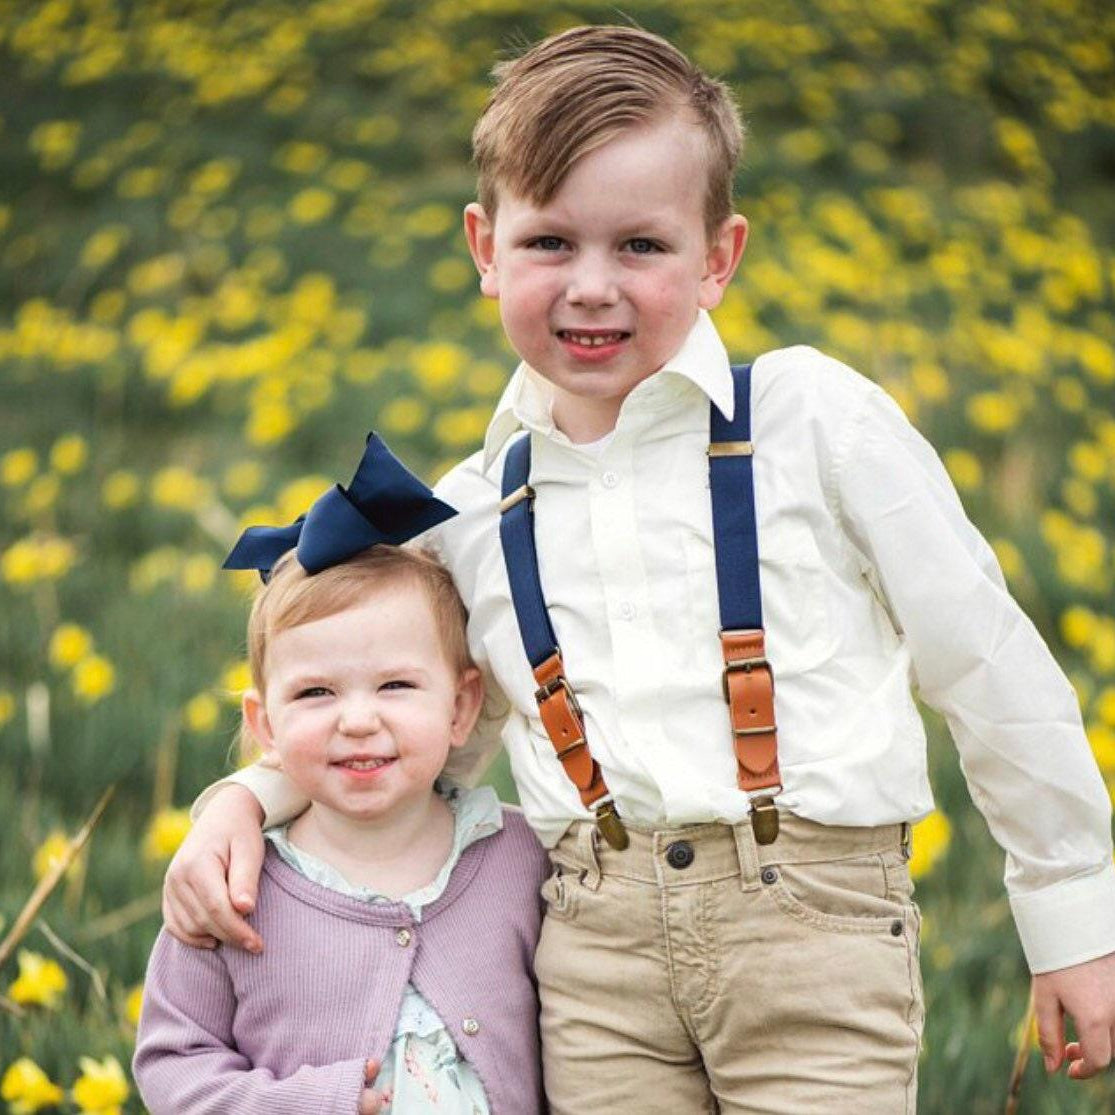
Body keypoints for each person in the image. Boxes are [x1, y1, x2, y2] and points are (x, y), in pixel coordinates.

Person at [161, 24, 1115, 1113]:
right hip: (591, 957)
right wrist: (243, 798)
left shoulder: (814, 421)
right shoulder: (469, 513)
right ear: (484, 247)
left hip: (814, 934)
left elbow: (983, 662)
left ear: (718, 257)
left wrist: (1072, 914)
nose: (591, 287)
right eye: (549, 242)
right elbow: (410, 722)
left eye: (641, 246)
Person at [134, 437, 548, 1114]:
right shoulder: (233, 888)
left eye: (394, 685)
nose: (357, 720)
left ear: (461, 706)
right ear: (265, 723)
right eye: (316, 692)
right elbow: (174, 1063)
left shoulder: (523, 858)